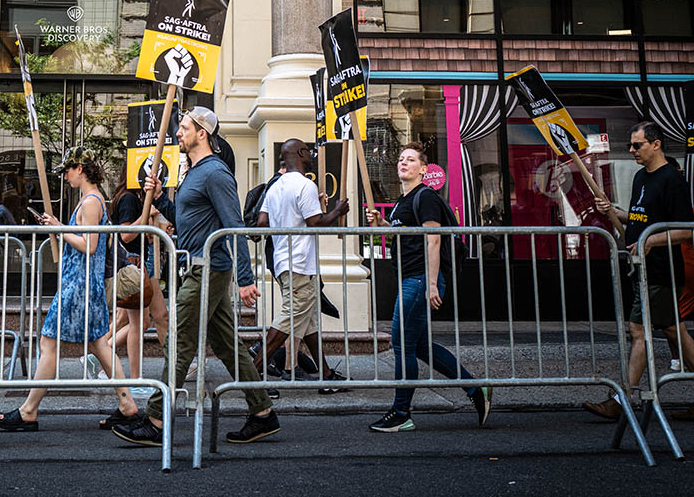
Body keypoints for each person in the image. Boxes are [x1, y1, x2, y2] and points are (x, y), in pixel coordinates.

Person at [113, 106, 279, 447]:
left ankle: (157, 421)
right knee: (228, 345)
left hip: (209, 268)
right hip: (198, 267)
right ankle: (263, 413)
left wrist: (246, 278)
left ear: (202, 133)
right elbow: (186, 218)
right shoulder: (194, 172)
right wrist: (160, 196)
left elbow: (234, 226)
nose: (178, 133)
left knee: (179, 340)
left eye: (184, 128)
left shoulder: (216, 173)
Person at [0, 146, 140, 433]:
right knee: (99, 344)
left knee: (49, 343)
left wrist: (60, 227)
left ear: (81, 169)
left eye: (68, 171)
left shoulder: (90, 202)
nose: (66, 177)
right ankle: (127, 405)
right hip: (86, 283)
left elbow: (90, 245)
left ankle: (28, 411)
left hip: (79, 284)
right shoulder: (92, 199)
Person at [366, 142, 491, 432]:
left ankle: (401, 412)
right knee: (419, 345)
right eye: (400, 159)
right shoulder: (403, 201)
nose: (403, 163)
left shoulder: (426, 197)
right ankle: (476, 390)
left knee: (402, 344)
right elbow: (404, 234)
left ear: (423, 169)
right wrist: (382, 223)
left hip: (420, 278)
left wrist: (432, 283)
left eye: (410, 160)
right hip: (411, 277)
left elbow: (433, 239)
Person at [584, 122, 694, 420]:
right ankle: (622, 401)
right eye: (632, 145)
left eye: (637, 145)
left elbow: (686, 230)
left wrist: (650, 241)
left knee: (639, 331)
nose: (632, 150)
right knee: (673, 330)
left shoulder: (673, 180)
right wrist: (612, 211)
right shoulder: (639, 178)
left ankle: (621, 402)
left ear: (656, 145)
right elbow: (638, 216)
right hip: (643, 268)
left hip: (661, 269)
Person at [253, 139, 350, 394]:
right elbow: (316, 223)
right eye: (308, 150)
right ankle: (253, 371)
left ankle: (326, 374)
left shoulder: (275, 187)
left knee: (309, 323)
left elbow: (262, 224)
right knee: (289, 317)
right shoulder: (305, 185)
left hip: (284, 262)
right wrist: (338, 210)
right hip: (300, 264)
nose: (311, 154)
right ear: (299, 153)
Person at [106, 172, 169, 395]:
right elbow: (126, 235)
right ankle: (133, 377)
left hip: (136, 264)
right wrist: (146, 215)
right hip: (132, 265)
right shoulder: (130, 199)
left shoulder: (131, 198)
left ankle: (102, 353)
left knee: (150, 318)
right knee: (138, 323)